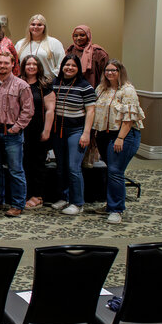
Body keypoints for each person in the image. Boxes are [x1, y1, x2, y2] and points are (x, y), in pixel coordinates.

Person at [0, 52, 34, 218]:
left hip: (12, 133)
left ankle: (17, 204)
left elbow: (28, 110)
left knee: (15, 170)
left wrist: (16, 128)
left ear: (13, 64)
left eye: (6, 63)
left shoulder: (21, 85)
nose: (2, 66)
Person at [93, 59, 144, 225]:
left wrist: (120, 138)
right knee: (111, 170)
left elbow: (129, 118)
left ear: (120, 71)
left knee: (116, 171)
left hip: (124, 135)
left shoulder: (127, 90)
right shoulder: (101, 89)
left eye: (113, 70)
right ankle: (111, 204)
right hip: (104, 135)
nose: (109, 73)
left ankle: (116, 210)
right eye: (107, 70)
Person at [50, 54, 96, 216]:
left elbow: (91, 111)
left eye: (73, 66)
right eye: (66, 65)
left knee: (73, 167)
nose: (69, 68)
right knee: (61, 167)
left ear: (78, 69)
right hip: (58, 131)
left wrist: (86, 133)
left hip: (76, 131)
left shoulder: (85, 86)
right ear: (62, 66)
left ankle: (77, 203)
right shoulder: (55, 83)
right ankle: (64, 197)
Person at [20, 54, 56, 211]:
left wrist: (47, 130)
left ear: (39, 67)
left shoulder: (45, 84)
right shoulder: (18, 82)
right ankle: (26, 194)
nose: (31, 67)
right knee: (24, 163)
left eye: (34, 64)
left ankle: (38, 195)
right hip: (21, 130)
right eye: (28, 64)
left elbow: (50, 109)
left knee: (38, 164)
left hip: (39, 130)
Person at [14, 14, 66, 78]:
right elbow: (15, 65)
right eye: (33, 24)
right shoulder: (20, 44)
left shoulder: (54, 43)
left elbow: (62, 63)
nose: (36, 27)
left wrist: (52, 78)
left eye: (39, 25)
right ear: (29, 27)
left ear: (44, 27)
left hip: (47, 82)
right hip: (25, 82)